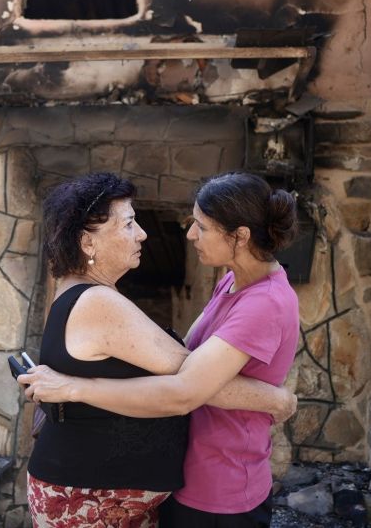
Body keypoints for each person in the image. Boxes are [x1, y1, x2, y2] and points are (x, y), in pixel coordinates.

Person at [22, 171, 300, 528]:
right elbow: (188, 378)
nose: (144, 233)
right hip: (102, 494)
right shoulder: (101, 302)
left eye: (201, 225)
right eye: (129, 225)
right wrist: (274, 400)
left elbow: (189, 377)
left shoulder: (260, 297)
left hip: (219, 482)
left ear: (240, 236)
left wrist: (276, 399)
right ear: (88, 244)